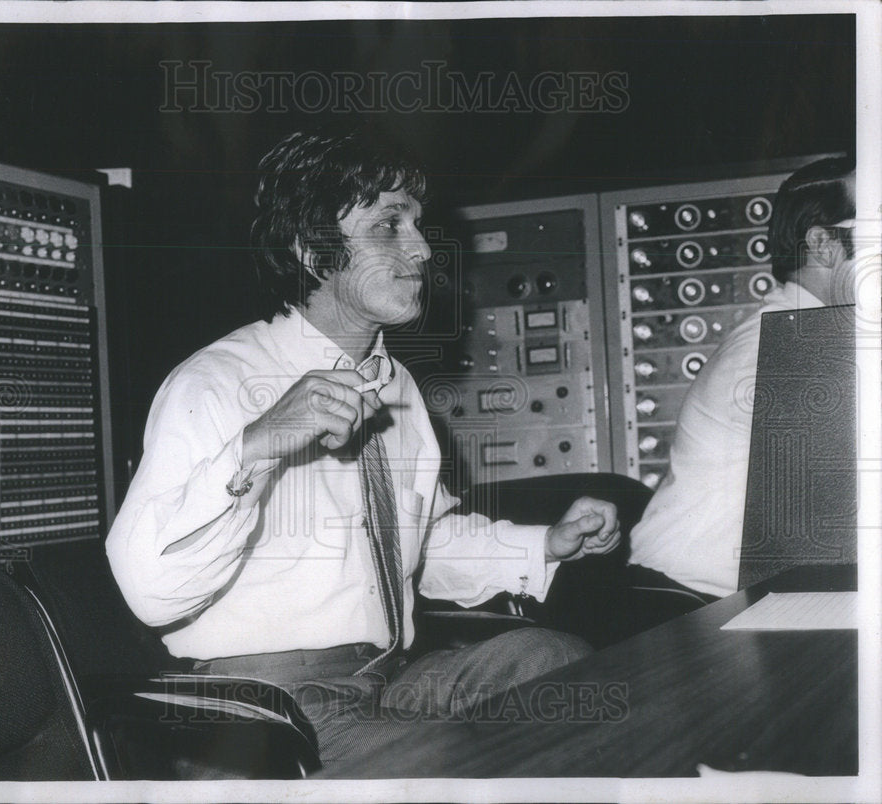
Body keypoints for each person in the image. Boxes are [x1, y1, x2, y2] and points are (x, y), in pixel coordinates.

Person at [106, 128, 620, 767]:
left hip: (388, 679)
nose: (424, 249)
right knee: (451, 761)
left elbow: (422, 542)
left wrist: (546, 543)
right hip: (267, 705)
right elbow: (148, 586)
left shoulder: (393, 383)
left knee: (562, 663)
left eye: (419, 224)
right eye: (389, 227)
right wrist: (259, 446)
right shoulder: (213, 382)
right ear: (312, 250)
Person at [539, 157, 857, 649]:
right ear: (822, 244)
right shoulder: (786, 349)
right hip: (678, 614)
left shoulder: (806, 333)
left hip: (716, 606)